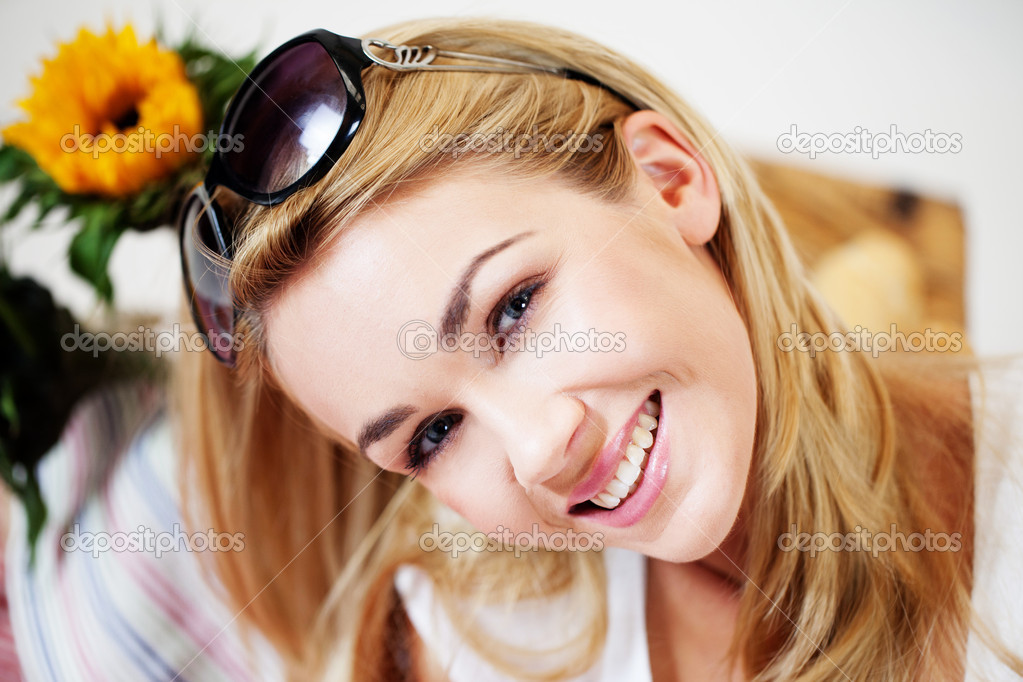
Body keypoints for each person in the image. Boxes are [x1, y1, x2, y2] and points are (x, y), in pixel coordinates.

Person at [172, 16, 1023, 681]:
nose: (538, 451)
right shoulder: (480, 647)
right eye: (431, 434)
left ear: (668, 181)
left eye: (514, 310)